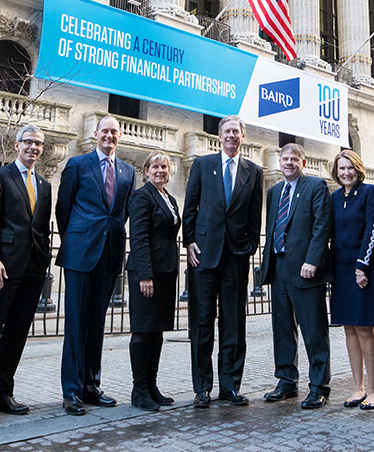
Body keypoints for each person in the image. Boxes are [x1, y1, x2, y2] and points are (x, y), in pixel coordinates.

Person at [0, 125, 52, 424]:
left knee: (16, 334)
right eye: (28, 142)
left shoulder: (44, 184)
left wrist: (45, 260)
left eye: (38, 144)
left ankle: (2, 393)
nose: (33, 147)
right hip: (1, 269)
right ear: (17, 145)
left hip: (32, 270)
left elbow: (41, 228)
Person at [56, 115, 136, 415]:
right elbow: (63, 208)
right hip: (80, 252)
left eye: (114, 132)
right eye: (105, 131)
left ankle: (91, 385)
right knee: (76, 322)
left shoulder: (128, 171)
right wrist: (76, 238)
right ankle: (72, 391)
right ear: (95, 133)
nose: (109, 136)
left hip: (110, 252)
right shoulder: (77, 164)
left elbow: (122, 213)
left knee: (98, 323)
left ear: (120, 136)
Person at [182, 115, 263, 408]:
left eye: (236, 132)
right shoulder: (203, 165)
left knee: (234, 324)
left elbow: (255, 216)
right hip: (204, 255)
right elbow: (190, 207)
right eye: (227, 131)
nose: (231, 136)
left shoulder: (253, 171)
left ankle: (230, 386)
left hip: (237, 257)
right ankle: (202, 387)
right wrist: (188, 240)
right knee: (202, 323)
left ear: (243, 137)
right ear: (219, 136)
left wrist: (251, 245)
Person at [259, 144, 333, 409]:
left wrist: (312, 260)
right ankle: (286, 381)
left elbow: (322, 225)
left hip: (305, 269)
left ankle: (319, 387)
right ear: (279, 162)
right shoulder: (274, 191)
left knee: (313, 330)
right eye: (285, 159)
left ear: (303, 162)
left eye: (294, 159)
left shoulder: (315, 186)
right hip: (278, 267)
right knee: (282, 328)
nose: (289, 163)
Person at [125, 151, 181, 411]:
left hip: (166, 272)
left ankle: (152, 385)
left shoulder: (169, 199)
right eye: (155, 167)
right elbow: (139, 237)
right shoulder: (141, 196)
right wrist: (144, 275)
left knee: (157, 330)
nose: (160, 171)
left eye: (164, 167)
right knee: (142, 330)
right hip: (146, 273)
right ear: (146, 171)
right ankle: (139, 389)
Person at [328, 150, 374, 410]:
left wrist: (362, 266)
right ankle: (357, 388)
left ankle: (373, 390)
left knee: (363, 327)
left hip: (364, 268)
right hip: (340, 267)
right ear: (336, 173)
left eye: (350, 167)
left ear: (357, 168)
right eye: (341, 169)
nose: (346, 172)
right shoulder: (335, 197)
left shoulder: (369, 191)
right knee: (348, 327)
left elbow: (372, 230)